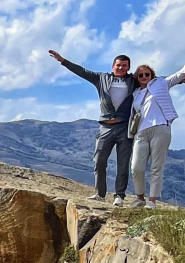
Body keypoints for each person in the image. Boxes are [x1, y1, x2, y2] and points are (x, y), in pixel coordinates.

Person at [47, 48, 138, 203]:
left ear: (128, 67)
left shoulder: (134, 81)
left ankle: (119, 196)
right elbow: (82, 71)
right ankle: (100, 194)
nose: (121, 68)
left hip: (124, 126)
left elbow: (157, 81)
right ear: (112, 66)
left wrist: (183, 79)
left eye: (124, 65)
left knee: (123, 164)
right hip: (106, 127)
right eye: (118, 65)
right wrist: (63, 61)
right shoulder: (101, 78)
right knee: (99, 161)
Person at [128, 40, 185, 208]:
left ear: (152, 75)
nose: (144, 77)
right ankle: (140, 198)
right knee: (136, 167)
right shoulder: (135, 93)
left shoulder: (161, 83)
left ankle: (152, 201)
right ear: (137, 77)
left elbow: (182, 72)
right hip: (141, 131)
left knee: (157, 166)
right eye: (140, 75)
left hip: (161, 128)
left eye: (147, 74)